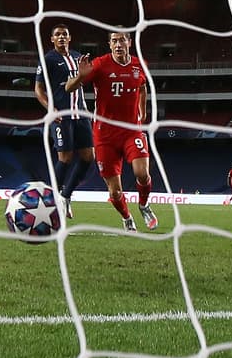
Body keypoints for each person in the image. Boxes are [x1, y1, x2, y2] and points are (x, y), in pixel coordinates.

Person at [66, 30, 157, 231]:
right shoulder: (100, 64)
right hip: (104, 135)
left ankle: (144, 205)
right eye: (114, 40)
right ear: (109, 44)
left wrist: (142, 110)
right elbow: (68, 88)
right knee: (115, 192)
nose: (118, 44)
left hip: (132, 130)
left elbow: (142, 86)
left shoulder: (139, 64)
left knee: (142, 173)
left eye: (122, 40)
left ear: (129, 42)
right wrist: (80, 76)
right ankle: (127, 217)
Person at [33, 24, 94, 220]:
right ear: (52, 39)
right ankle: (51, 202)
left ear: (70, 38)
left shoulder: (78, 57)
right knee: (65, 158)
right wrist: (50, 108)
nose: (61, 37)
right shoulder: (48, 59)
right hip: (61, 115)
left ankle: (66, 196)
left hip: (81, 114)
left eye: (64, 34)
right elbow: (38, 89)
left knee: (88, 158)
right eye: (57, 34)